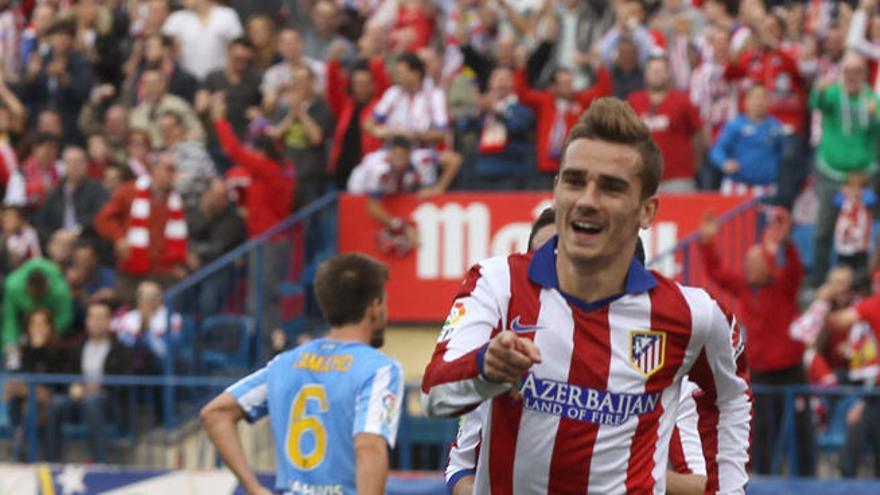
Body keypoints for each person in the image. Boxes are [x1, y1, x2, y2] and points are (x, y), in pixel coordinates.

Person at [421, 97, 750, 492]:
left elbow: (731, 397)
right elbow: (435, 395)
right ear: (556, 189)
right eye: (575, 181)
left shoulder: (692, 315)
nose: (588, 200)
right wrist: (486, 367)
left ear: (647, 211)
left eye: (611, 188)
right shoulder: (497, 283)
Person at [446, 210, 707, 495]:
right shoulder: (501, 364)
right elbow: (460, 468)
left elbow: (700, 485)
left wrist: (616, 466)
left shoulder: (662, 376)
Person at [200, 253, 404, 495]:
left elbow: (215, 414)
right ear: (375, 307)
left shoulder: (284, 363)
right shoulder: (379, 369)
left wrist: (254, 489)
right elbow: (369, 446)